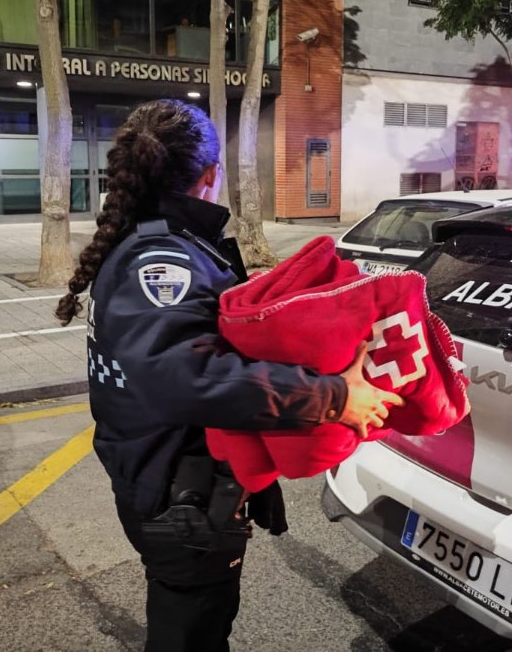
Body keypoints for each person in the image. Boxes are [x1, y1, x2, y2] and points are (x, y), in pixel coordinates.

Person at [55, 99, 402, 652]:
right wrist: (335, 398)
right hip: (180, 495)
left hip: (161, 478)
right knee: (191, 633)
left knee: (188, 626)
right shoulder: (161, 259)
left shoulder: (151, 243)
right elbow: (184, 376)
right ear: (211, 176)